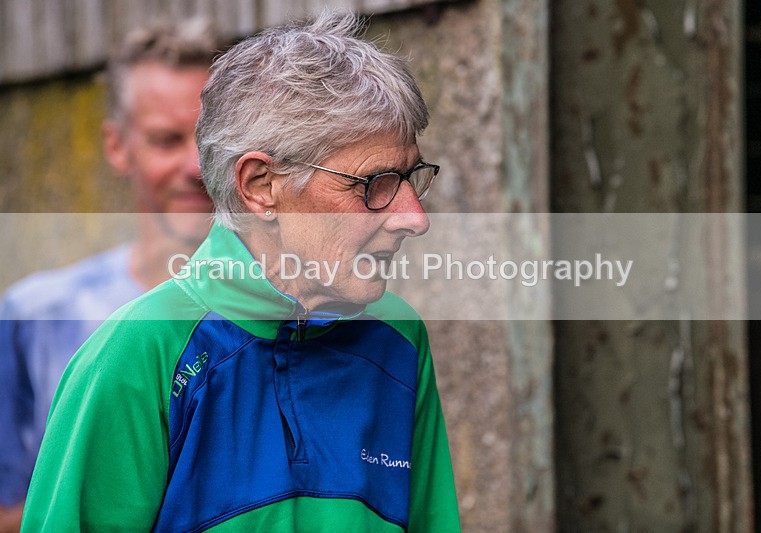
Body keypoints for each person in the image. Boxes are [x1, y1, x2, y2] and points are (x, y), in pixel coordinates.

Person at [22, 10, 460, 532]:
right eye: (375, 184)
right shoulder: (136, 356)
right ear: (259, 185)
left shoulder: (398, 339)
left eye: (412, 176)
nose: (414, 217)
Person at [0, 19, 220, 530]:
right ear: (117, 146)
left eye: (212, 139)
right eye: (166, 140)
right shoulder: (34, 315)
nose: (196, 165)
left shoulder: (290, 317)